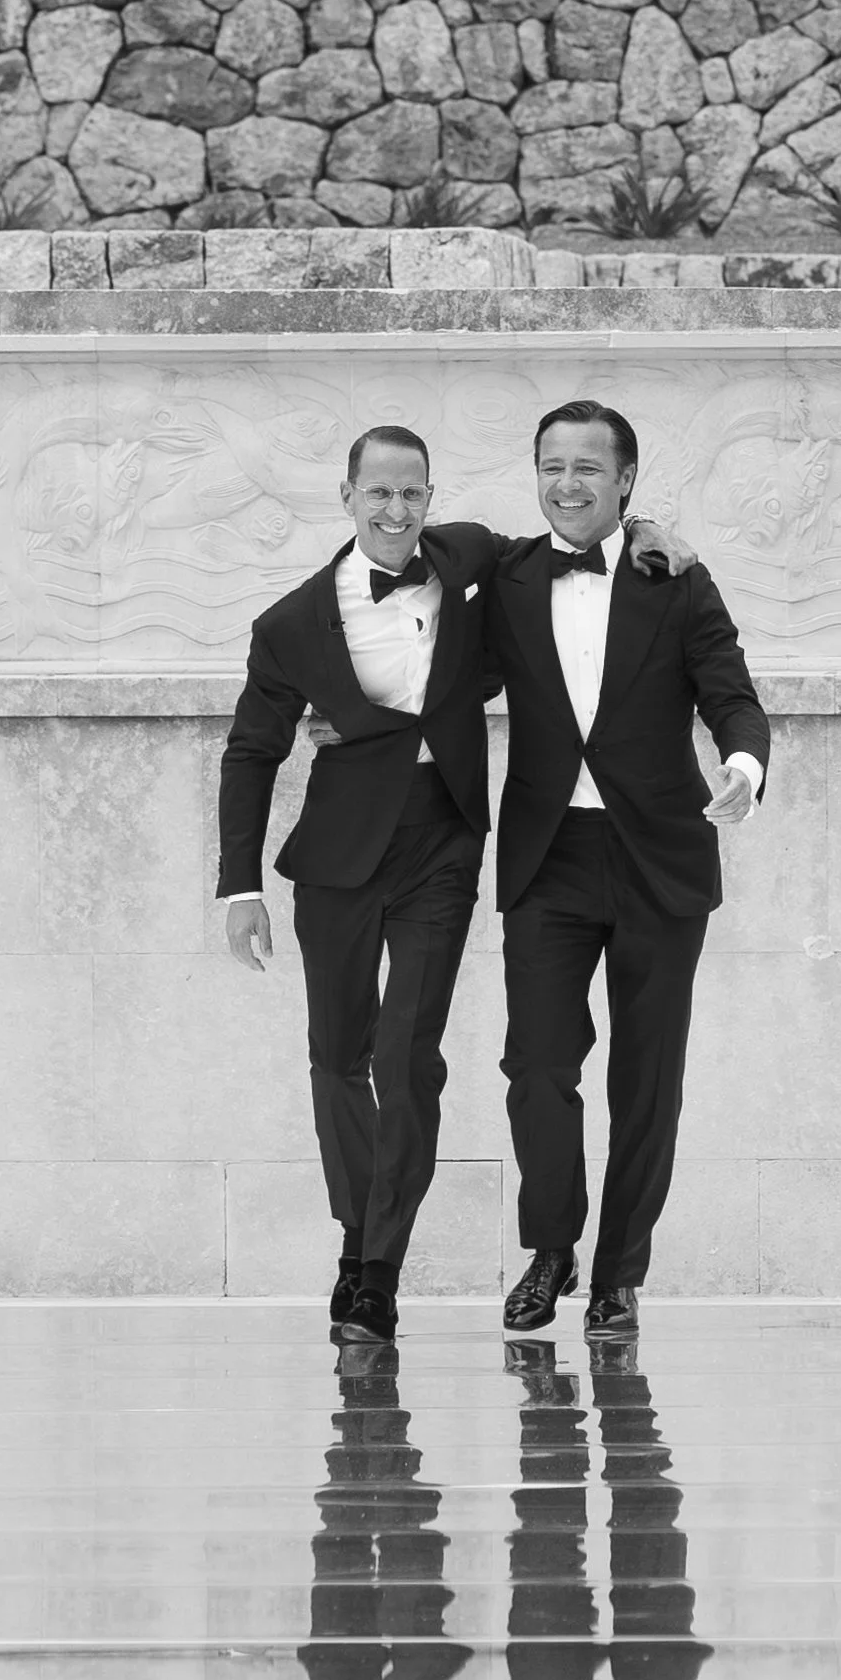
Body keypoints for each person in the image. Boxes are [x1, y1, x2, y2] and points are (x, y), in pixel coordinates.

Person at [217, 424, 688, 1345]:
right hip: (339, 858)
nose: (396, 511)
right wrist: (239, 886)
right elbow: (251, 751)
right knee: (336, 1057)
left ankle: (376, 1274)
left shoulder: (469, 558)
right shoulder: (288, 625)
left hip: (443, 843)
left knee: (408, 1058)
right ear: (345, 497)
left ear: (430, 499)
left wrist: (652, 529)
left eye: (411, 494)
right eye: (378, 494)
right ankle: (358, 1233)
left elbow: (574, 532)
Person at [490, 399, 770, 1340]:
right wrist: (340, 718)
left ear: (625, 483)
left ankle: (619, 1276)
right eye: (550, 466)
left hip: (659, 857)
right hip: (547, 855)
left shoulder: (676, 581)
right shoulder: (508, 575)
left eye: (585, 469)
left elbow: (731, 694)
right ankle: (551, 1250)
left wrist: (741, 767)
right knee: (536, 1065)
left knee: (646, 1077)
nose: (565, 484)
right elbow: (420, 638)